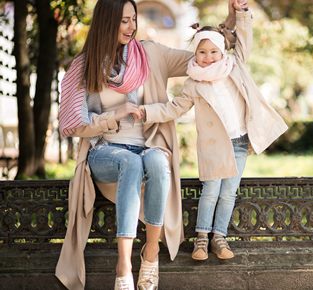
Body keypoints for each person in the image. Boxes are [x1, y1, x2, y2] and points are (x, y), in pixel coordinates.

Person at [55, 0, 238, 289]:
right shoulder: (85, 64)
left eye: (133, 19)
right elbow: (73, 123)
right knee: (129, 161)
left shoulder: (150, 54)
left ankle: (150, 254)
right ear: (107, 22)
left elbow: (205, 52)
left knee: (156, 161)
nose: (132, 27)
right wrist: (110, 116)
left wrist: (231, 20)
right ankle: (124, 266)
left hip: (147, 146)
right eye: (124, 21)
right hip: (105, 151)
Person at [138, 2, 288, 261]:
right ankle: (201, 239)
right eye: (202, 52)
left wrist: (241, 14)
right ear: (194, 54)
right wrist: (146, 113)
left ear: (222, 51)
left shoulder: (235, 65)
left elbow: (244, 39)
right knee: (211, 192)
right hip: (213, 145)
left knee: (229, 192)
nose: (208, 57)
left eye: (213, 51)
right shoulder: (193, 83)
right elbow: (174, 108)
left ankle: (220, 237)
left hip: (239, 141)